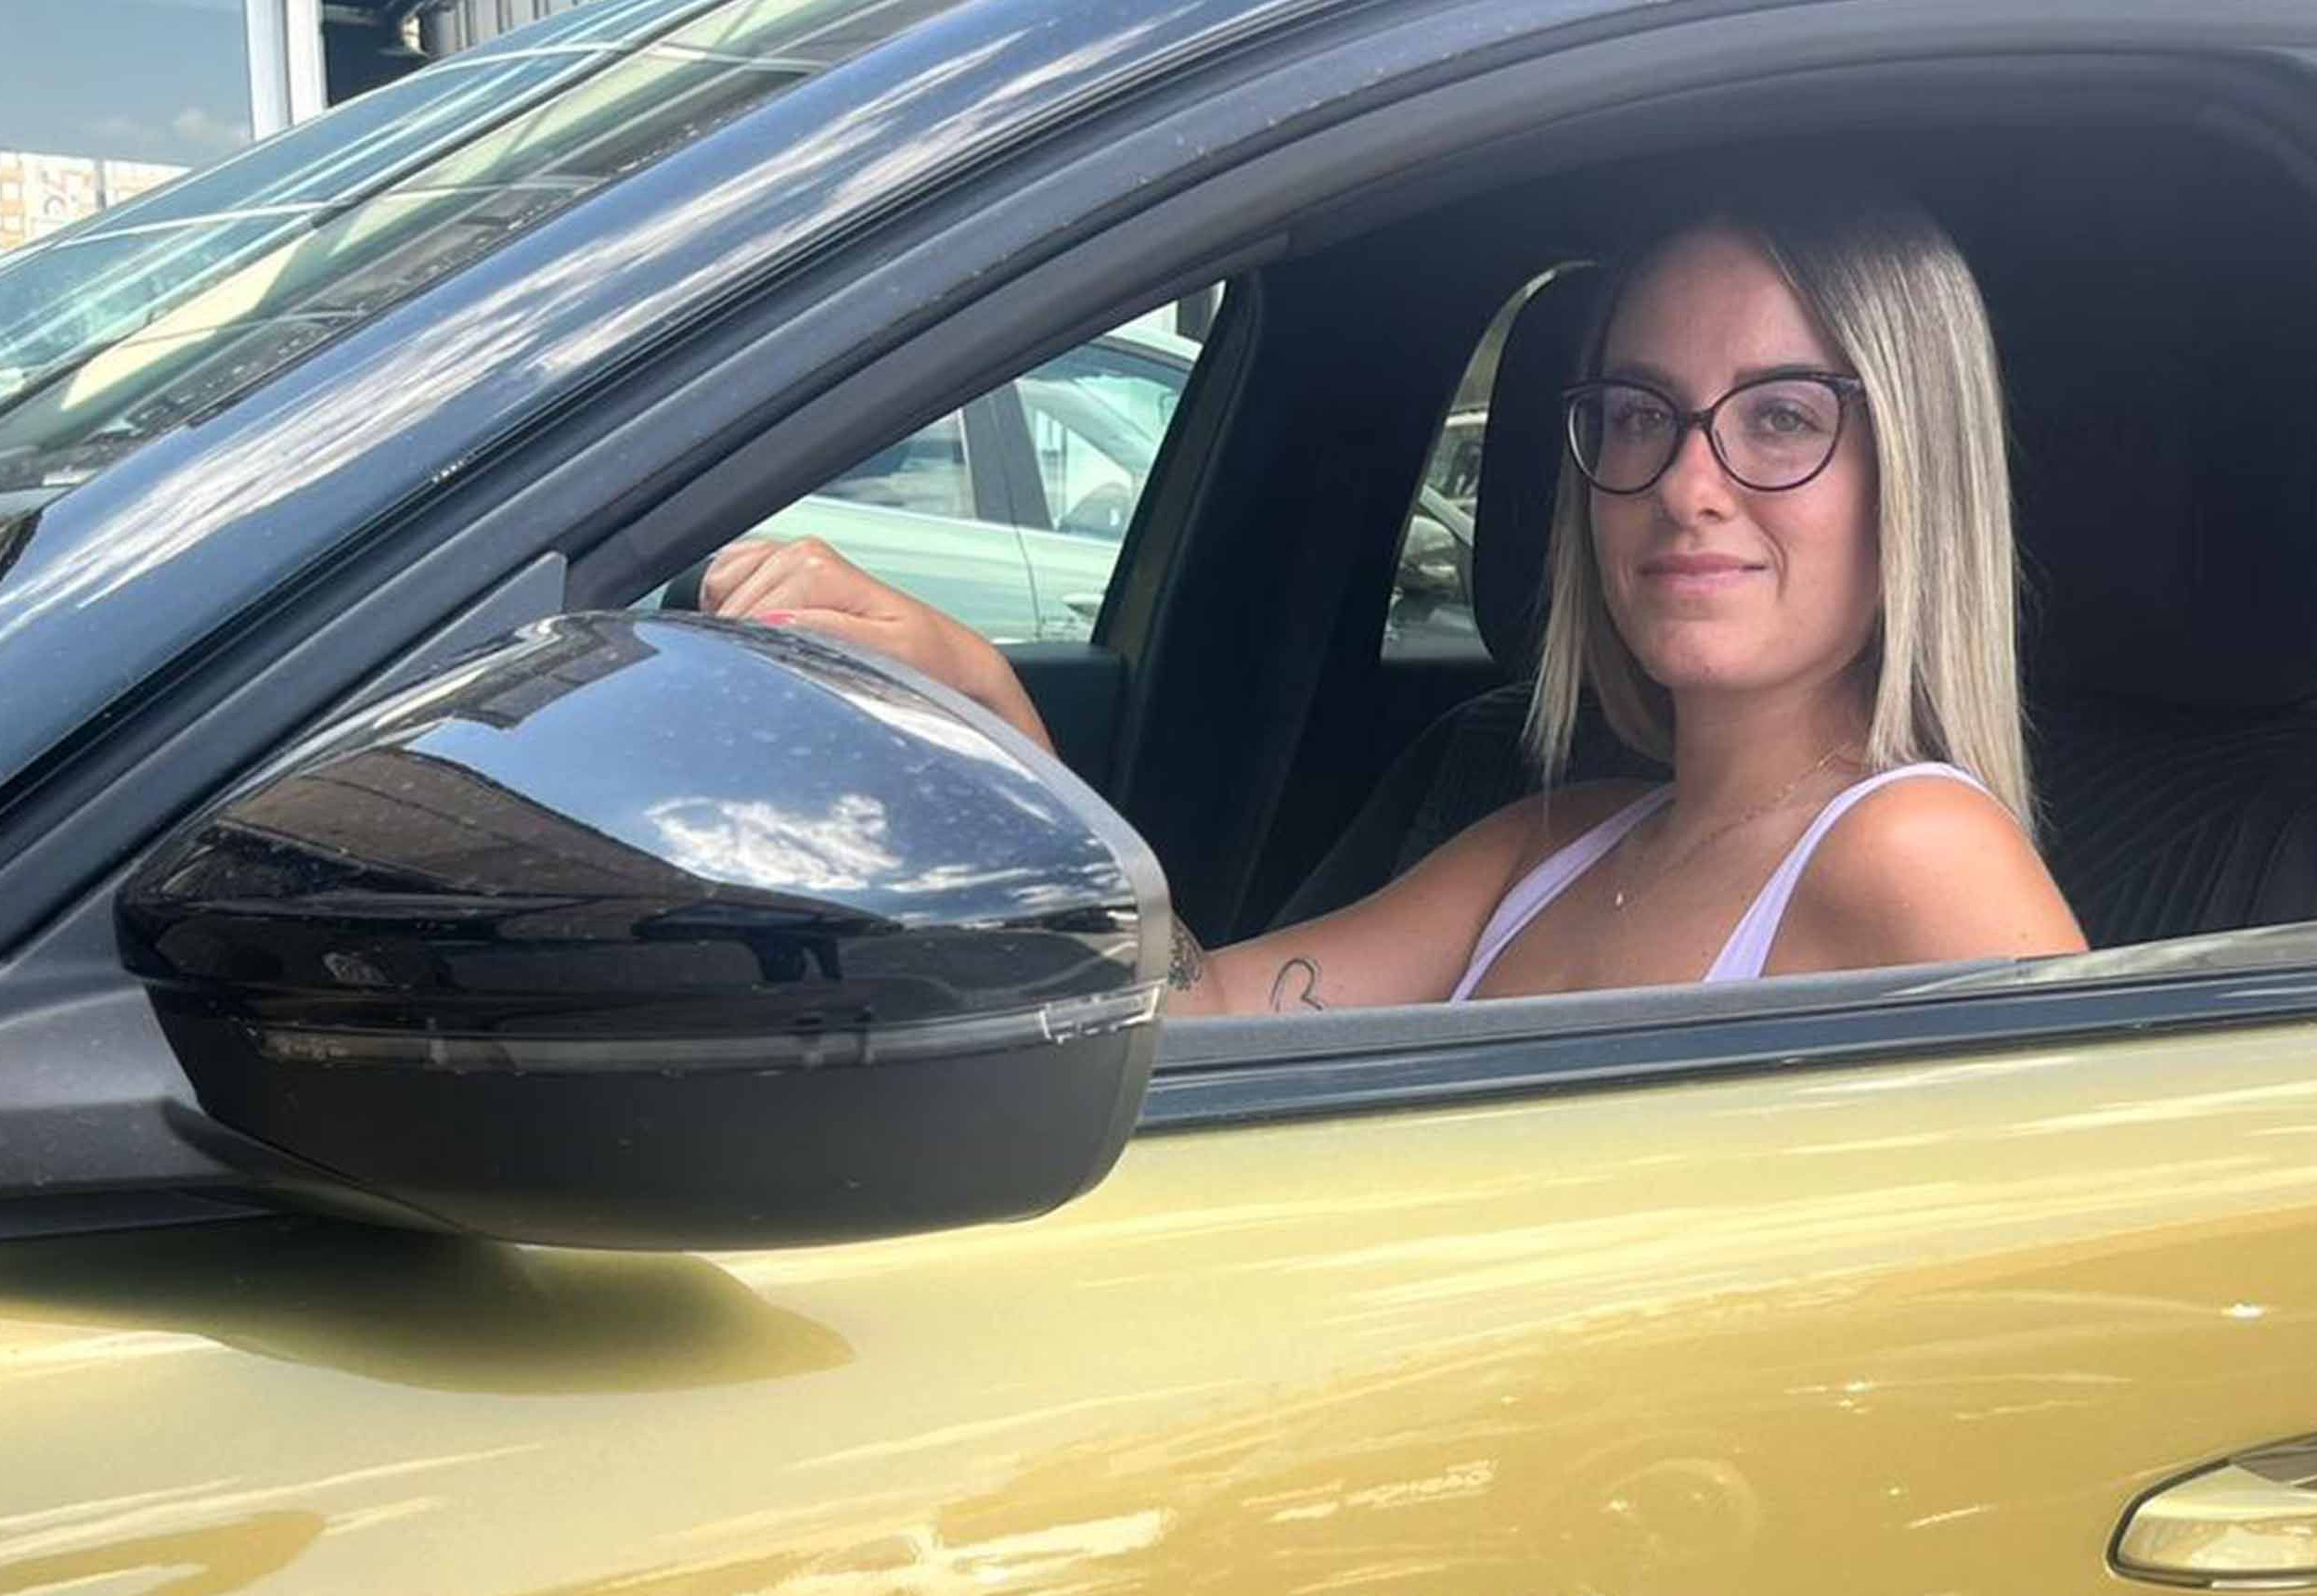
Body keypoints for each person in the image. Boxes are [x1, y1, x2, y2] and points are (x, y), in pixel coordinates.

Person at [697, 198, 2086, 1012]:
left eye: (1781, 418)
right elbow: (1187, 1022)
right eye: (1636, 413)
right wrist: (997, 728)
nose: (1686, 484)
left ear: (1917, 477)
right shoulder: (1548, 840)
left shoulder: (1918, 855)